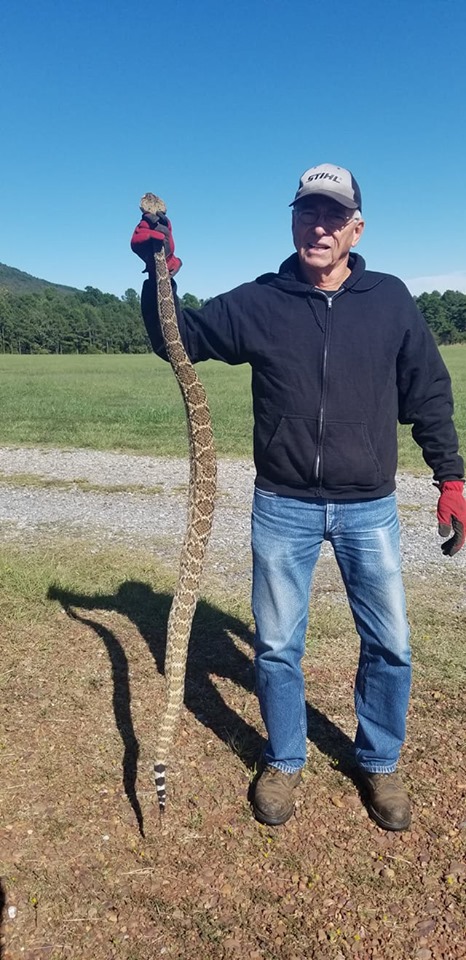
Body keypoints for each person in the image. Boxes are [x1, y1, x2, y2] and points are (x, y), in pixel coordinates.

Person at [131, 163, 466, 831]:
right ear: (292, 220)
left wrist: (451, 477)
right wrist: (157, 273)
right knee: (279, 645)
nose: (319, 226)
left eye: (333, 216)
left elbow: (428, 392)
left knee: (392, 643)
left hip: (369, 505)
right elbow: (178, 342)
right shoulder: (262, 299)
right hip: (283, 504)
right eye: (308, 212)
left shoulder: (391, 299)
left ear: (355, 227)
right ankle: (283, 761)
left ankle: (379, 761)